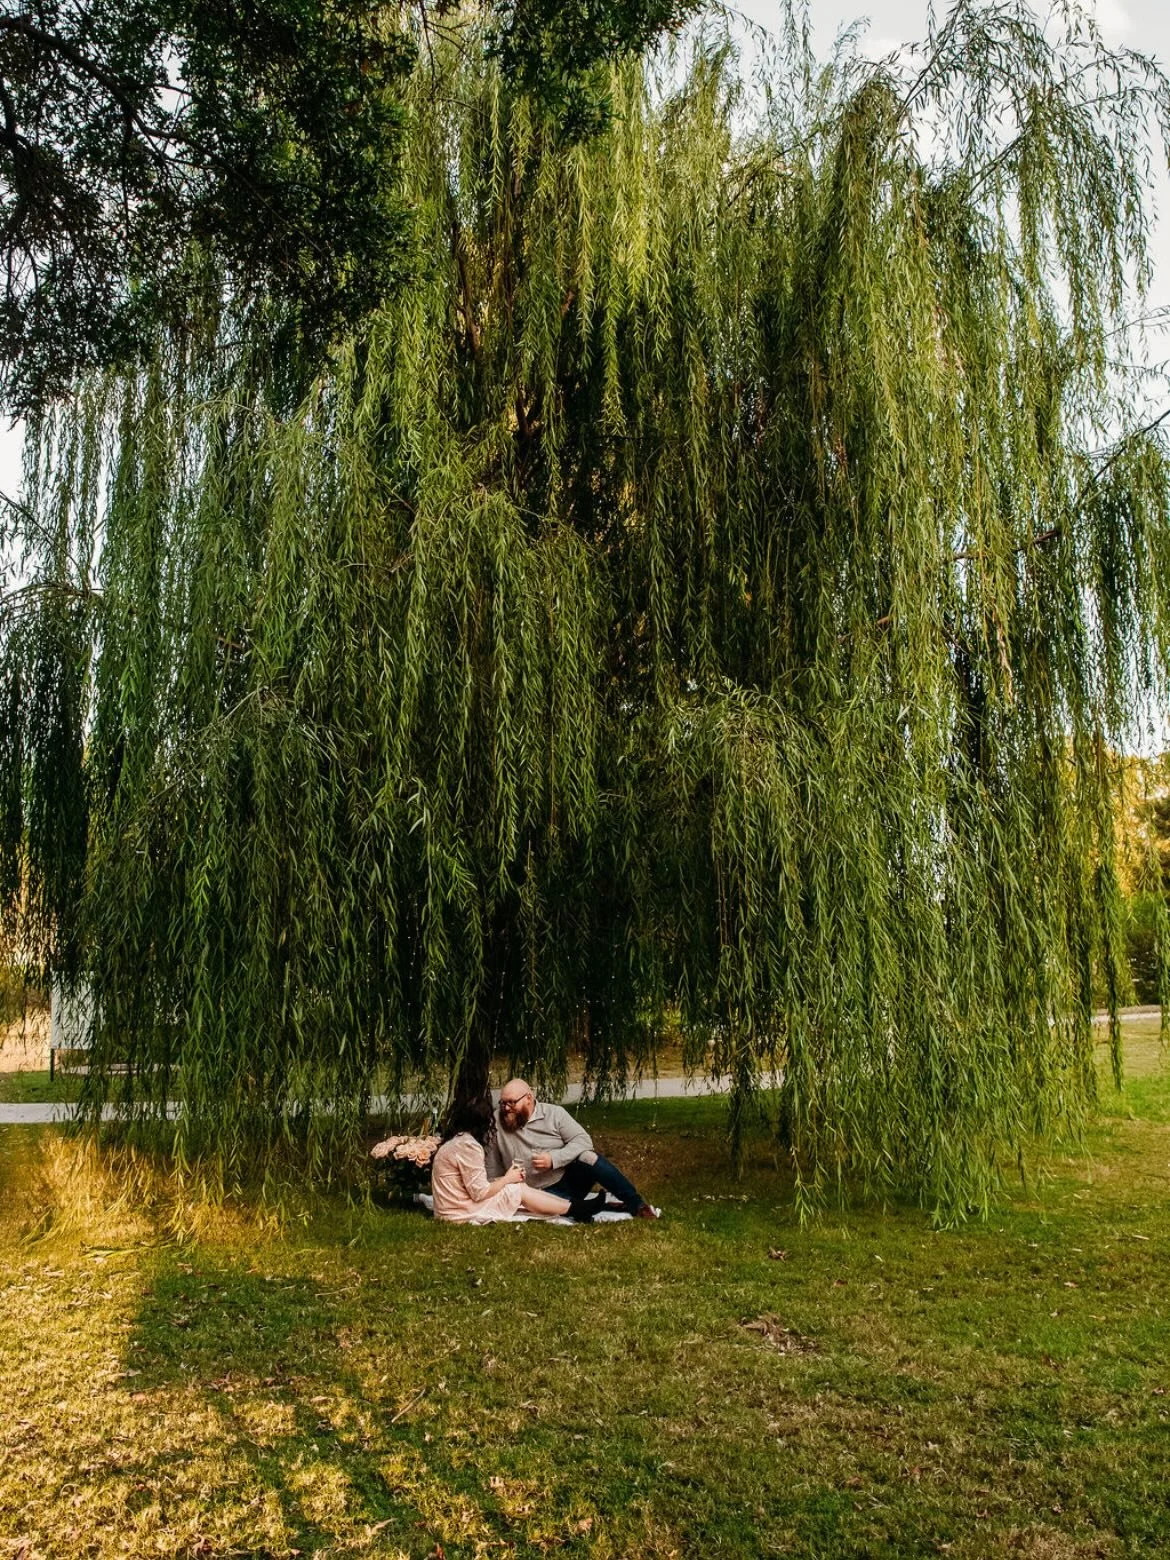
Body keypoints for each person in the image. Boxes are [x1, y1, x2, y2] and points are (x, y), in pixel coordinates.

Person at [485, 1079, 660, 1219]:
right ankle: (599, 1206)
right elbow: (492, 1165)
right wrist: (500, 1188)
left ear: (529, 1098)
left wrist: (554, 1159)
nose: (506, 1109)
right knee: (558, 1207)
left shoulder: (555, 1114)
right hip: (531, 1193)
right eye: (502, 1103)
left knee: (588, 1157)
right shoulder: (496, 1120)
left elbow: (583, 1140)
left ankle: (635, 1203)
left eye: (511, 1103)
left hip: (565, 1181)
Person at [430, 1096, 606, 1224]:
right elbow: (480, 1193)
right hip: (459, 1212)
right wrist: (508, 1178)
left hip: (449, 1208)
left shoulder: (457, 1141)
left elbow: (473, 1185)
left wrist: (505, 1179)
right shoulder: (469, 1146)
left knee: (516, 1190)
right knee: (518, 1190)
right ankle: (577, 1209)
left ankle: (575, 1208)